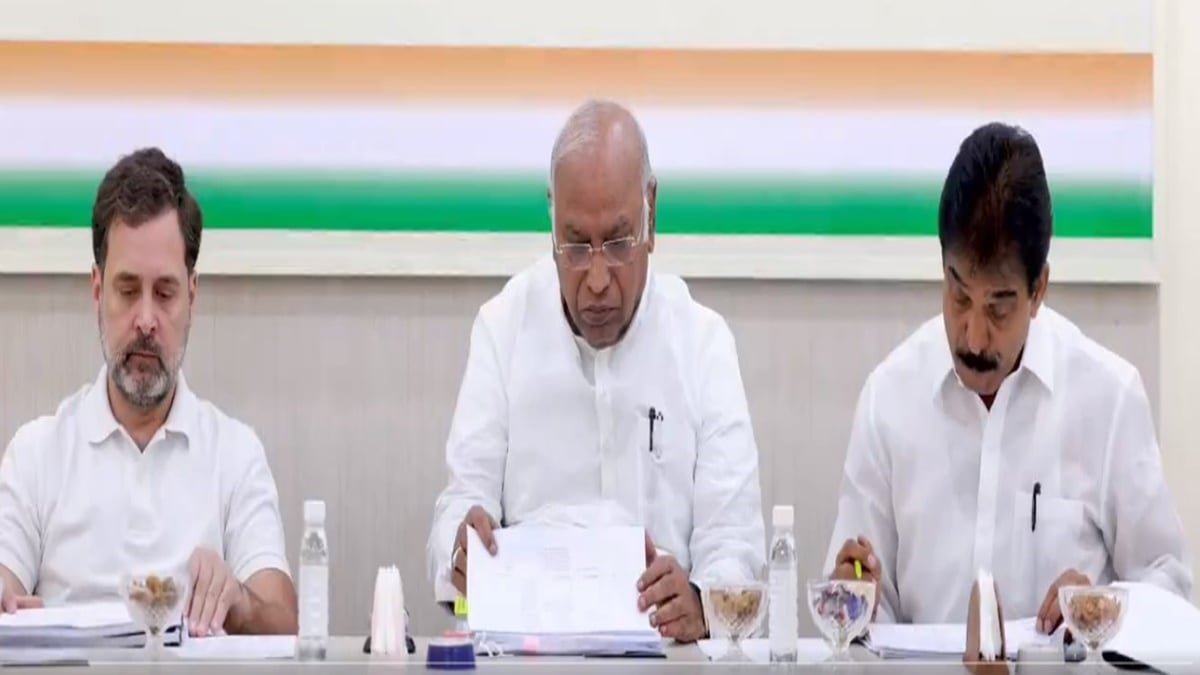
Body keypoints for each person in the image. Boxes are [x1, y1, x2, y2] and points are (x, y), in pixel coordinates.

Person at [824, 122, 1191, 632]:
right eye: (959, 296)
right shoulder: (888, 398)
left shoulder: (1108, 397)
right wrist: (854, 599)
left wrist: (1106, 606)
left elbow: (1170, 584)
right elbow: (863, 603)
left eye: (998, 307)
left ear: (1039, 289)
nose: (973, 338)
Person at [426, 100, 765, 643]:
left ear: (652, 214)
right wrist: (461, 550)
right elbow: (460, 507)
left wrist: (702, 602)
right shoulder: (503, 327)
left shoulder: (703, 343)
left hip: (667, 655)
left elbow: (736, 545)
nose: (599, 279)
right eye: (577, 246)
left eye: (619, 242)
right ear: (551, 222)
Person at [0, 148, 298, 635]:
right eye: (126, 289)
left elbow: (284, 623)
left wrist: (240, 604)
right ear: (97, 289)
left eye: (164, 293)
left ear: (192, 295)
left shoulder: (235, 453)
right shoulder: (37, 454)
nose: (145, 320)